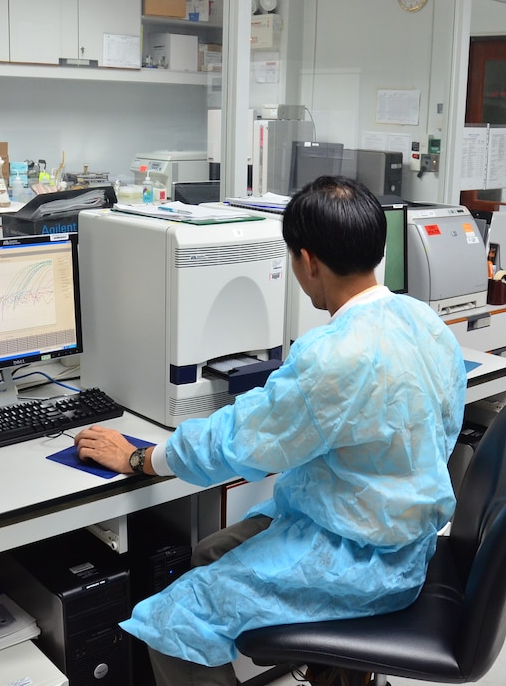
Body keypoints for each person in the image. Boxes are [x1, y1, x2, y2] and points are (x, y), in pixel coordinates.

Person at [75, 175, 467, 686]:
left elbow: (241, 441)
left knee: (173, 624)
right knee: (211, 552)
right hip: (404, 539)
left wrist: (138, 458)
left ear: (307, 261)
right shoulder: (424, 322)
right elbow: (441, 426)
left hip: (362, 560)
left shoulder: (335, 356)